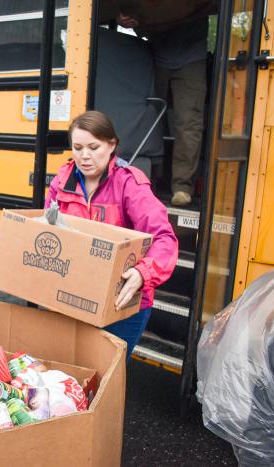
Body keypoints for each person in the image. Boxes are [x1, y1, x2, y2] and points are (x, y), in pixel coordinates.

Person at [46, 111, 178, 359]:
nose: (85, 156)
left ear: (111, 145)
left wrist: (143, 272)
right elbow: (46, 228)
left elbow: (164, 238)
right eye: (78, 147)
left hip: (122, 305)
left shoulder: (130, 184)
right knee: (70, 369)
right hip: (72, 297)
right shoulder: (62, 181)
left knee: (106, 375)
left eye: (94, 147)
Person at [117, 9, 209, 206]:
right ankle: (147, 181)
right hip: (155, 53)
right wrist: (124, 18)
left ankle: (182, 186)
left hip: (192, 55)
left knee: (189, 122)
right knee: (147, 115)